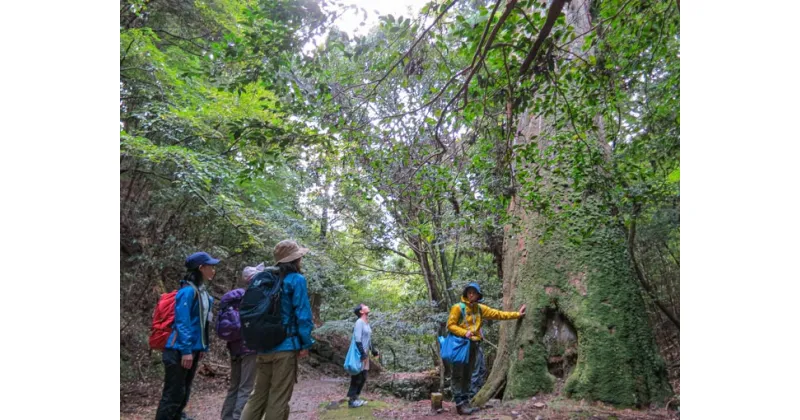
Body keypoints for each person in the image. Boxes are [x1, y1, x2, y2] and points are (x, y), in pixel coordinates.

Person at [240, 240, 315, 420]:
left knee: (257, 396)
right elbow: (303, 315)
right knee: (278, 398)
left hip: (263, 345)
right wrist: (306, 343)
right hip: (285, 346)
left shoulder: (267, 279)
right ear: (295, 259)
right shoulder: (296, 280)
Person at [155, 251, 219, 420]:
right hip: (178, 350)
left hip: (192, 348)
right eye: (211, 266)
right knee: (173, 393)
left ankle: (178, 417)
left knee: (184, 389)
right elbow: (182, 322)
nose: (214, 270)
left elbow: (202, 322)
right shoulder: (187, 292)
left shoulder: (203, 292)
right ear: (201, 268)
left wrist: (202, 346)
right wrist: (186, 350)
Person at [447, 282, 526, 415]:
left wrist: (517, 314)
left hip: (473, 345)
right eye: (469, 292)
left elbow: (498, 314)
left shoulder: (480, 308)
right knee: (457, 374)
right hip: (460, 345)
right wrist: (464, 332)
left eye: (474, 292)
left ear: (478, 295)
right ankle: (459, 404)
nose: (471, 294)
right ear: (466, 293)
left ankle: (466, 401)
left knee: (468, 374)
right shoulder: (458, 307)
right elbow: (450, 325)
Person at [219, 264, 265, 420]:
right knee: (246, 387)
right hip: (249, 349)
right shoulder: (255, 298)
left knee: (234, 387)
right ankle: (238, 417)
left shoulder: (235, 297)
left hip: (234, 347)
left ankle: (226, 417)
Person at [347, 303, 379, 408]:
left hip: (365, 352)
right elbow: (357, 339)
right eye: (364, 306)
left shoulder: (366, 322)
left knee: (364, 376)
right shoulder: (359, 322)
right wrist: (363, 354)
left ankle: (356, 397)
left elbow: (368, 339)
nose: (367, 306)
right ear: (361, 311)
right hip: (359, 353)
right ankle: (351, 401)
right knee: (357, 376)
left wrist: (373, 351)